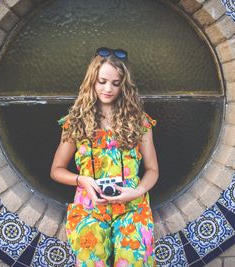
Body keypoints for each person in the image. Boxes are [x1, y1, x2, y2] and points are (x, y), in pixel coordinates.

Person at [50, 47, 159, 267]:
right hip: (90, 207)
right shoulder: (76, 122)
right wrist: (82, 180)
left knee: (133, 261)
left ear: (124, 86)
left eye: (115, 83)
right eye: (102, 81)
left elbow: (153, 170)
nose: (108, 88)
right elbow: (56, 170)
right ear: (92, 80)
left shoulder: (140, 122)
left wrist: (137, 191)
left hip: (132, 206)